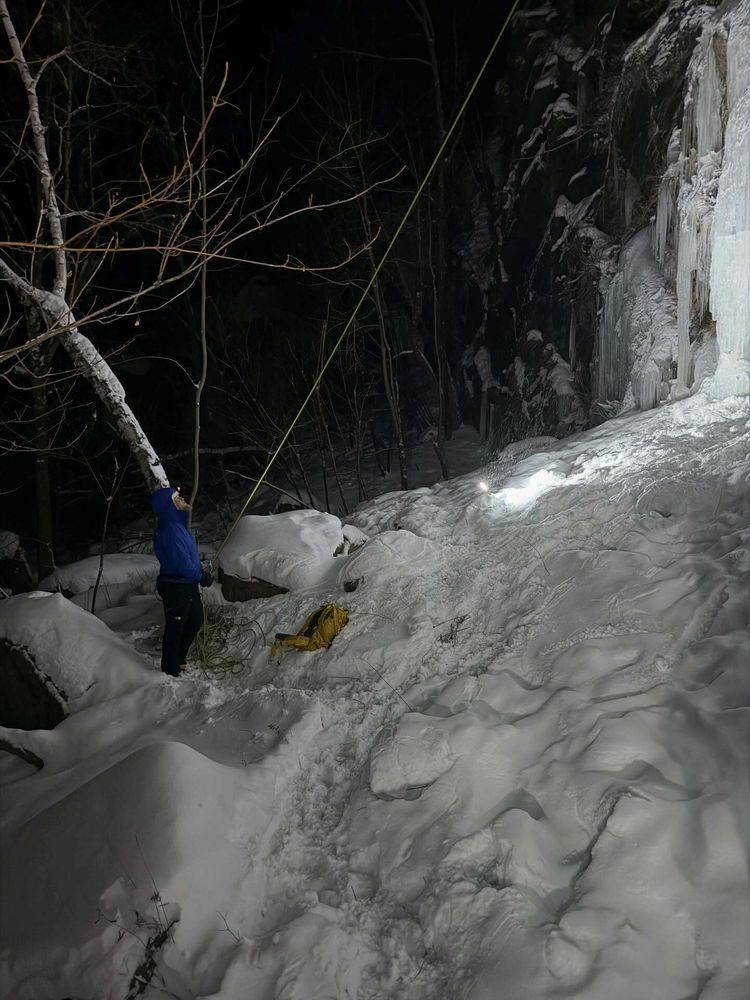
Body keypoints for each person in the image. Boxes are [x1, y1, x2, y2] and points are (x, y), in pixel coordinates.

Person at [151, 485, 212, 677]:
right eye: (177, 497)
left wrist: (199, 571)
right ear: (169, 505)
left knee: (195, 620)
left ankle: (178, 658)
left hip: (186, 583)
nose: (183, 499)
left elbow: (187, 559)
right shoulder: (170, 529)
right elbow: (181, 563)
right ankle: (169, 670)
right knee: (176, 626)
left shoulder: (178, 526)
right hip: (175, 585)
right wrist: (201, 576)